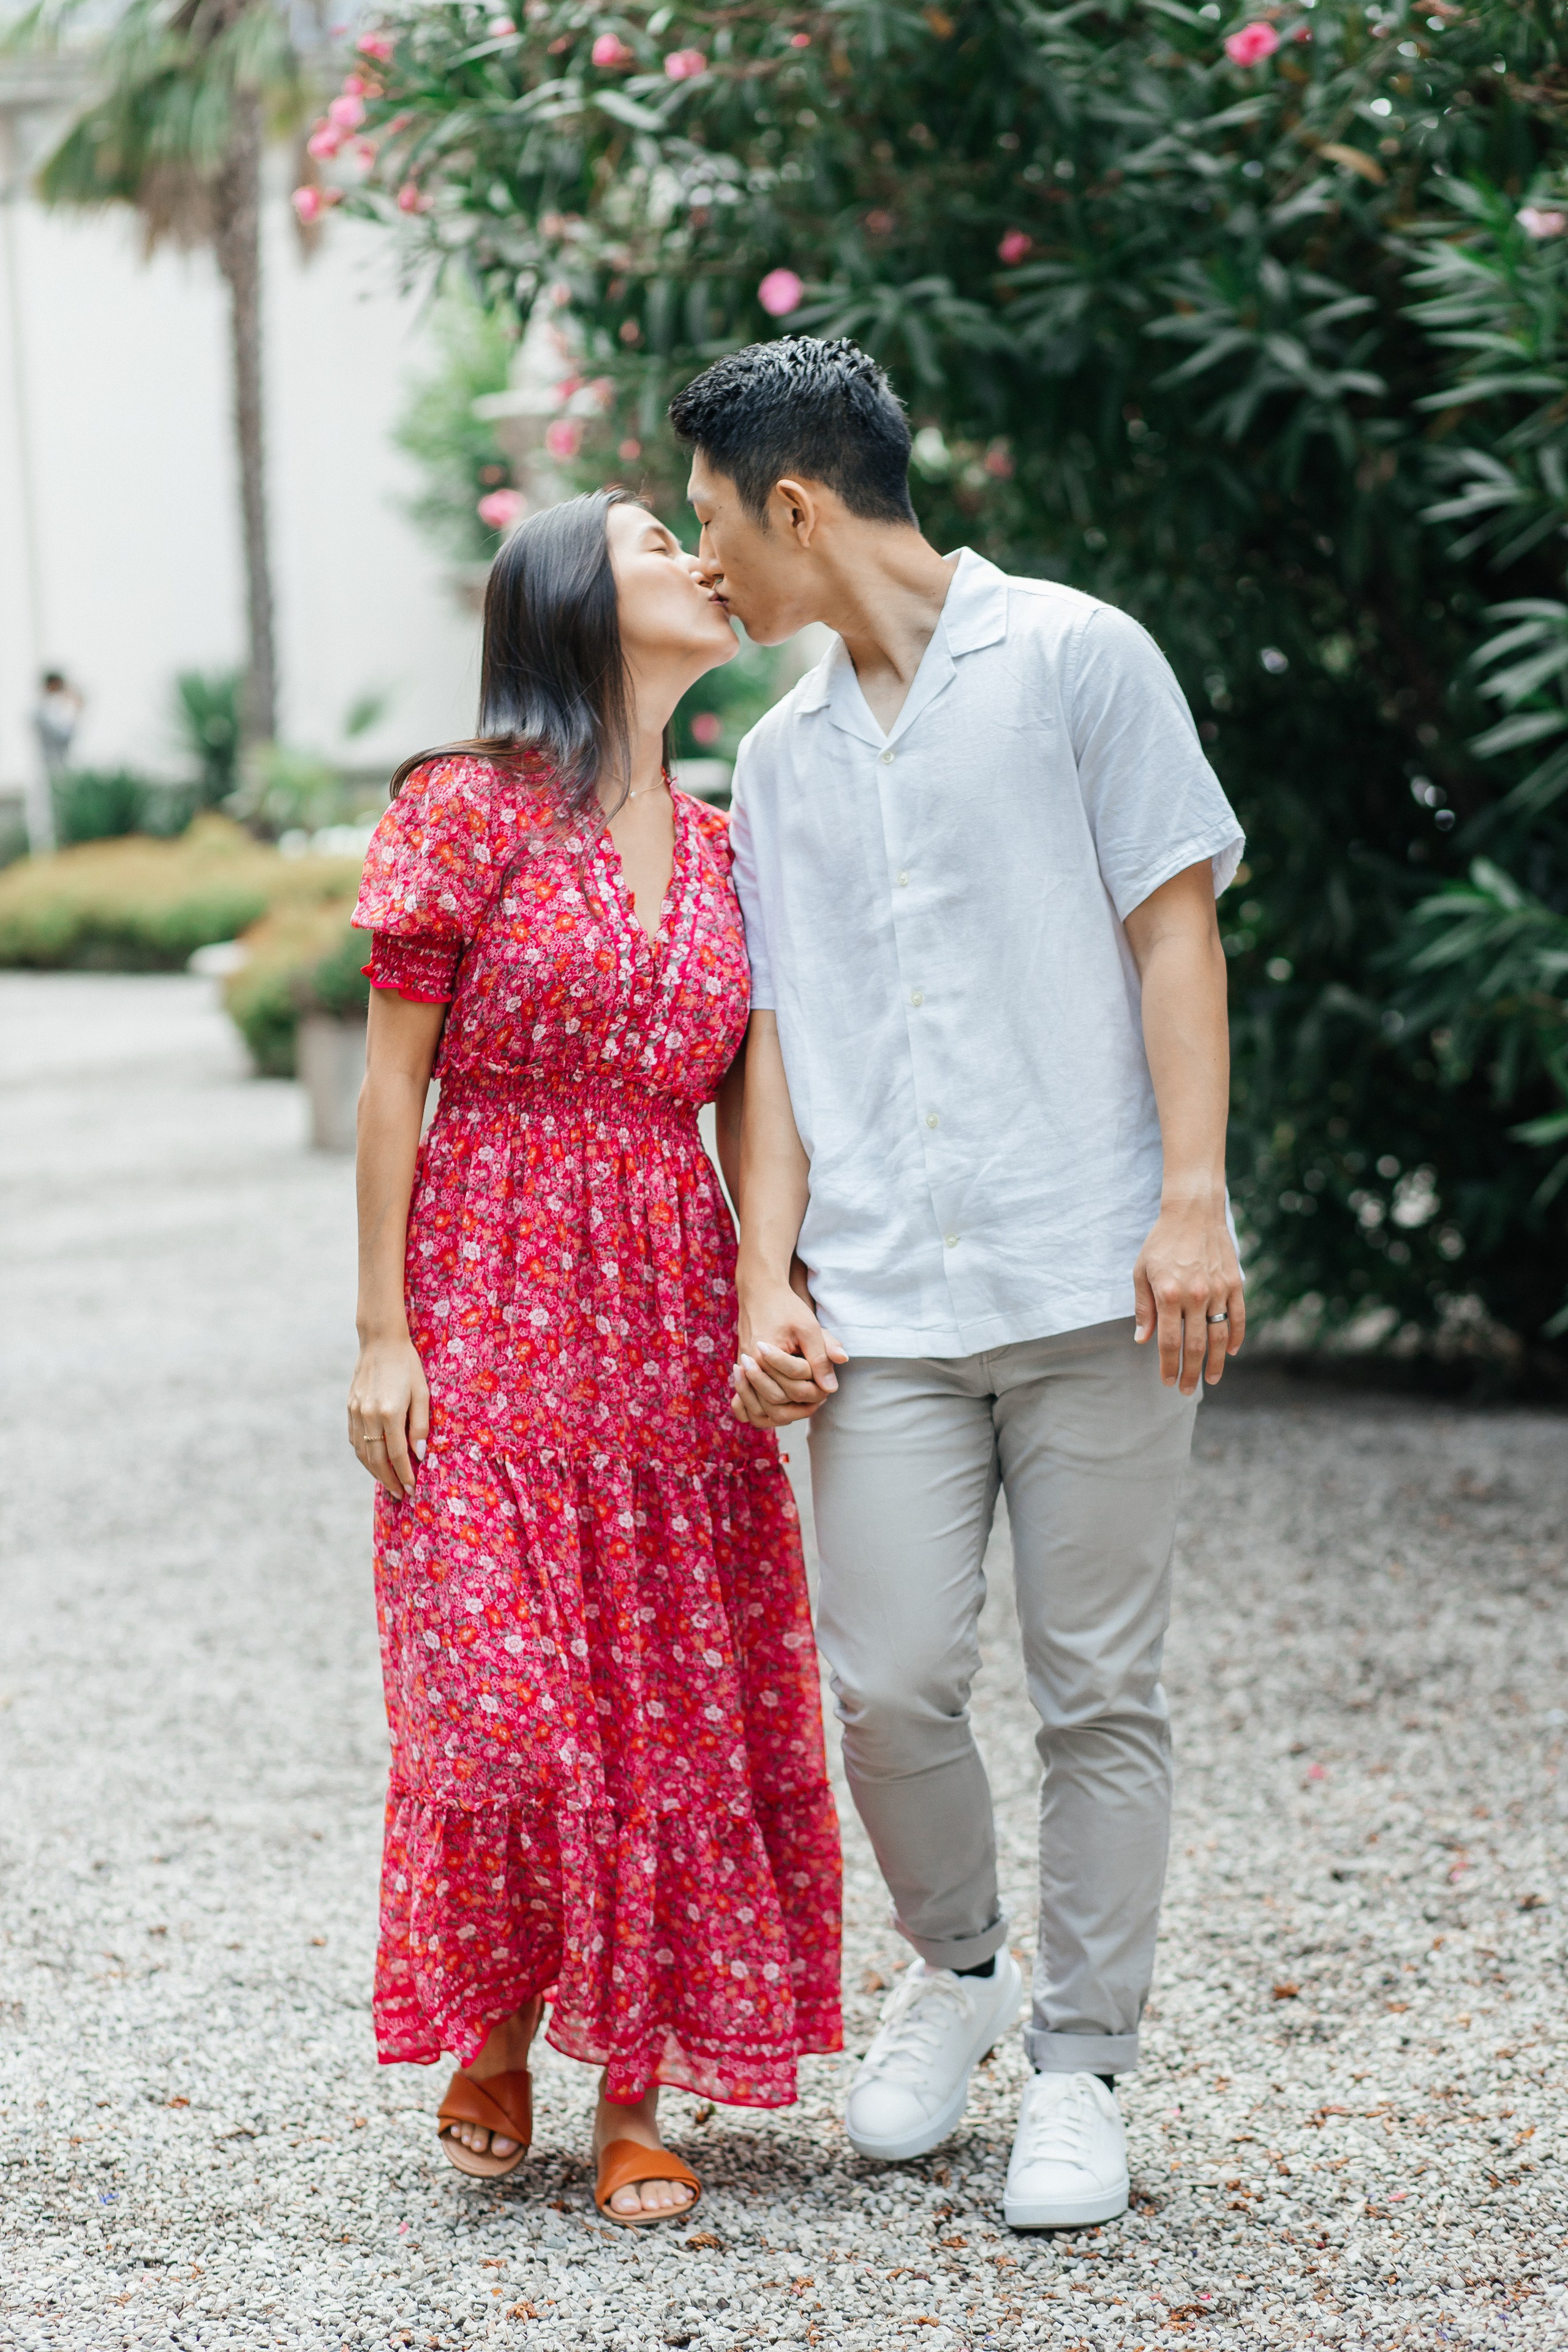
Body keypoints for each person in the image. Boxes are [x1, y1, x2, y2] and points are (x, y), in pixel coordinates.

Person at [668, 337, 1245, 2231]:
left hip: (1094, 1272)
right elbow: (778, 1044)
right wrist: (767, 1276)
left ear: (798, 506)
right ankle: (965, 1966)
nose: (708, 567)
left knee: (1099, 1693)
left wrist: (1192, 1201)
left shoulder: (1080, 658)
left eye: (713, 524)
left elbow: (1174, 929)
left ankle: (1082, 2067)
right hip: (890, 1312)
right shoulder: (776, 758)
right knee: (892, 1680)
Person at [345, 489, 841, 2225]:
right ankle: (494, 2017)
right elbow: (394, 1081)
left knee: (661, 1713)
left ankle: (633, 2092)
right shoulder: (465, 808)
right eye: (651, 543)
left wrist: (772, 1286)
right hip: (484, 1302)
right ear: (569, 603)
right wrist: (381, 1333)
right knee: (502, 1713)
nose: (697, 562)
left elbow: (755, 1095)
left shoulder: (723, 849)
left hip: (663, 1318)